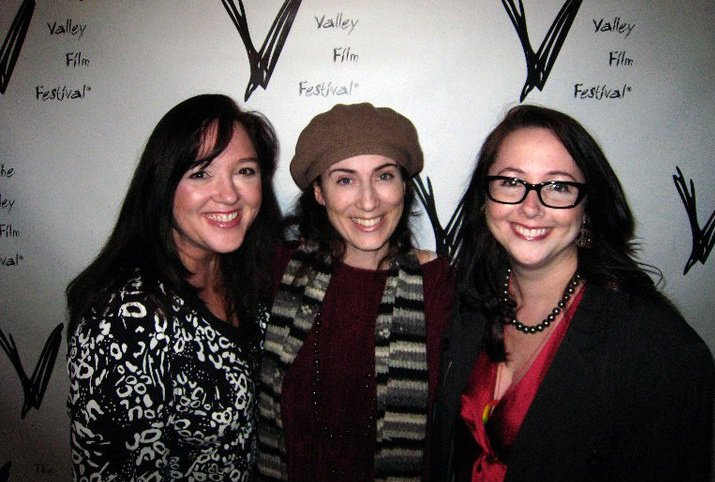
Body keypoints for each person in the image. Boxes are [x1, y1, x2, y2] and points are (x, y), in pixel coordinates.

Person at [430, 104, 714, 482]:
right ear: (486, 199)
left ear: (588, 207)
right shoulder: (466, 304)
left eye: (559, 186)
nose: (531, 208)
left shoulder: (661, 354)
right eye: (512, 182)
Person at [66, 94, 282, 481]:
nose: (229, 195)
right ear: (163, 185)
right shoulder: (128, 320)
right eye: (201, 173)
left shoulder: (244, 273)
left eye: (245, 171)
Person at [257, 103, 454, 481]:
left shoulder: (441, 285)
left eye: (384, 176)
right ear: (319, 192)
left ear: (404, 185)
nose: (368, 202)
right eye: (344, 180)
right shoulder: (277, 271)